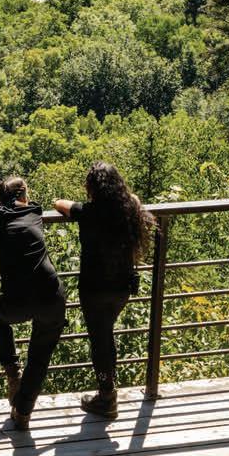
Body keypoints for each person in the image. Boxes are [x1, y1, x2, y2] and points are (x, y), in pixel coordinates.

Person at [53, 162, 153, 420]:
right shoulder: (128, 209)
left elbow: (59, 204)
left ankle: (107, 397)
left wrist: (73, 201)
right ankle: (107, 392)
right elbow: (134, 199)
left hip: (94, 288)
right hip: (121, 287)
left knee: (99, 341)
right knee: (105, 335)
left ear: (92, 188)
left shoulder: (88, 212)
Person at [0, 176, 66, 430]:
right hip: (51, 294)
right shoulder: (35, 211)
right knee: (39, 358)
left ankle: (12, 369)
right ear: (24, 195)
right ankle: (23, 413)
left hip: (17, 299)